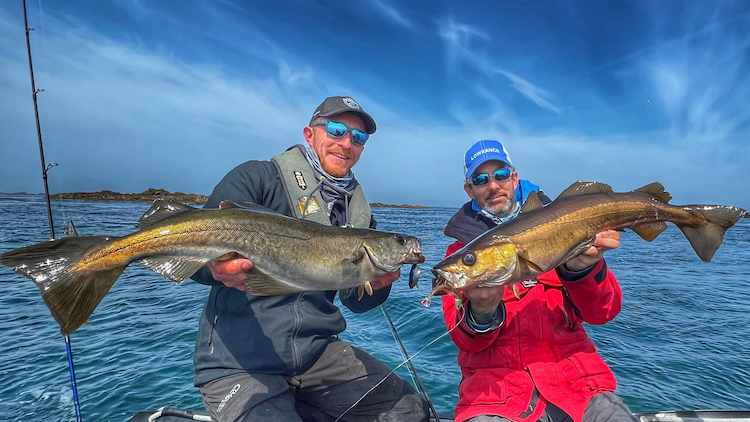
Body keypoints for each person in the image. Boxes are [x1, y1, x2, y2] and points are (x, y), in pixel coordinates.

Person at [190, 96, 430, 422]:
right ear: (309, 133)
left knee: (410, 411)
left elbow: (355, 302)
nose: (346, 143)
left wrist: (379, 283)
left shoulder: (358, 216)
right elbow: (192, 249)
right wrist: (213, 268)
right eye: (336, 130)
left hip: (316, 356)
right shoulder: (257, 178)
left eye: (358, 138)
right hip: (239, 362)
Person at [441, 140, 637, 422]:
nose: (493, 185)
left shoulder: (563, 225)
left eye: (501, 174)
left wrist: (581, 271)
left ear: (514, 177)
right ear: (469, 189)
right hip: (495, 397)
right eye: (481, 179)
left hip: (579, 387)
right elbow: (466, 342)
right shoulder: (459, 256)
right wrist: (481, 313)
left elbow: (602, 313)